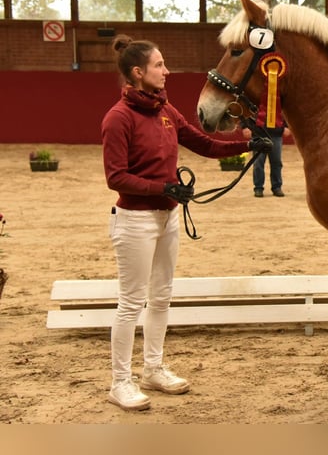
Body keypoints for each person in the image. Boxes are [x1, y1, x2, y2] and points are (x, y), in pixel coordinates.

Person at [101, 34, 268, 411]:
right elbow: (116, 178)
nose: (167, 71)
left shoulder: (166, 110)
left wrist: (248, 145)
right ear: (138, 72)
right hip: (134, 222)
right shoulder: (118, 118)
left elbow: (203, 143)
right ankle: (120, 382)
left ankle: (153, 368)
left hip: (167, 217)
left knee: (161, 297)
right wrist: (160, 187)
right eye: (160, 65)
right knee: (131, 303)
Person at [252, 122, 290, 198]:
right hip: (258, 133)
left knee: (276, 162)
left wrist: (287, 126)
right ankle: (258, 187)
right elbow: (247, 111)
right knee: (258, 163)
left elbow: (286, 111)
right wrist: (244, 126)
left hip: (276, 133)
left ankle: (277, 187)